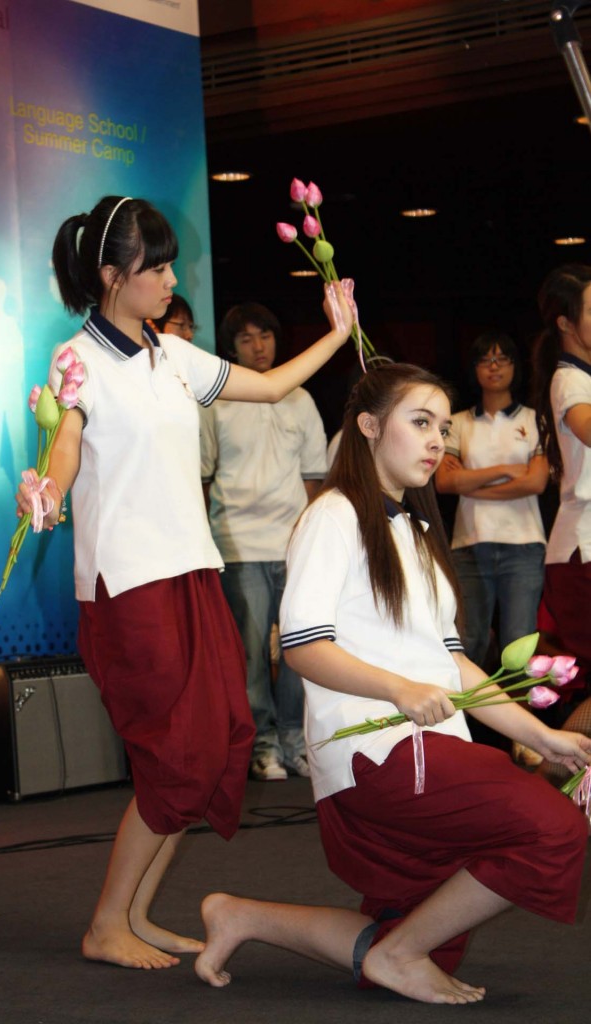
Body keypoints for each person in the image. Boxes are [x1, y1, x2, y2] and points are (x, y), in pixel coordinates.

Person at [14, 195, 353, 972]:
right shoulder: (77, 363)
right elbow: (64, 445)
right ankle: (108, 922)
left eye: (169, 265)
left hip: (193, 572)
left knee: (213, 744)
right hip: (129, 585)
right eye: (155, 267)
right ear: (110, 274)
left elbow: (269, 387)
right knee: (175, 755)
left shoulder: (174, 356)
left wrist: (337, 332)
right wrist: (48, 490)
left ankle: (131, 914)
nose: (170, 280)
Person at [194, 363, 591, 1004]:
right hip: (378, 752)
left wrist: (542, 735)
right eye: (421, 422)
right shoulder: (334, 516)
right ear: (370, 427)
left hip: (428, 748)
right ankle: (403, 954)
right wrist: (399, 690)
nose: (438, 440)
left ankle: (244, 916)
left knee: (403, 933)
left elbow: (454, 663)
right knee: (555, 830)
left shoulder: (417, 530)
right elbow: (301, 646)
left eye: (441, 426)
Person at [200, 302, 327, 781]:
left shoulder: (301, 398)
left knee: (301, 648)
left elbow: (314, 478)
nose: (259, 347)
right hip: (239, 543)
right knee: (252, 651)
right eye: (247, 339)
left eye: (266, 336)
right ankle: (263, 744)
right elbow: (204, 475)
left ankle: (296, 739)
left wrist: (305, 536)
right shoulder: (217, 402)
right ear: (231, 348)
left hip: (292, 543)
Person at [435, 331, 548, 670]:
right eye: (485, 360)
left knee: (519, 643)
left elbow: (536, 482)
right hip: (469, 542)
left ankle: (520, 722)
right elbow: (444, 481)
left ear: (516, 366)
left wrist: (471, 485)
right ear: (474, 369)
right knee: (469, 641)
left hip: (524, 544)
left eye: (502, 359)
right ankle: (464, 722)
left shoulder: (533, 419)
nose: (493, 367)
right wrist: (507, 470)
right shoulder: (457, 423)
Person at [531, 264, 591, 692]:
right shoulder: (569, 378)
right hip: (582, 548)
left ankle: (545, 753)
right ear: (566, 324)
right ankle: (546, 753)